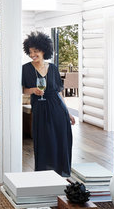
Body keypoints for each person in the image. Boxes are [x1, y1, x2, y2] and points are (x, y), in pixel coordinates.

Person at [21, 31, 75, 176]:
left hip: (58, 108)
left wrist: (68, 113)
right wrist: (33, 90)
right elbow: (23, 90)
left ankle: (60, 173)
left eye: (36, 51)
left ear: (44, 50)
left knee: (60, 140)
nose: (33, 54)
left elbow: (59, 92)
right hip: (39, 108)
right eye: (30, 51)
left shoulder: (54, 68)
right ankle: (43, 174)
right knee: (43, 141)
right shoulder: (25, 69)